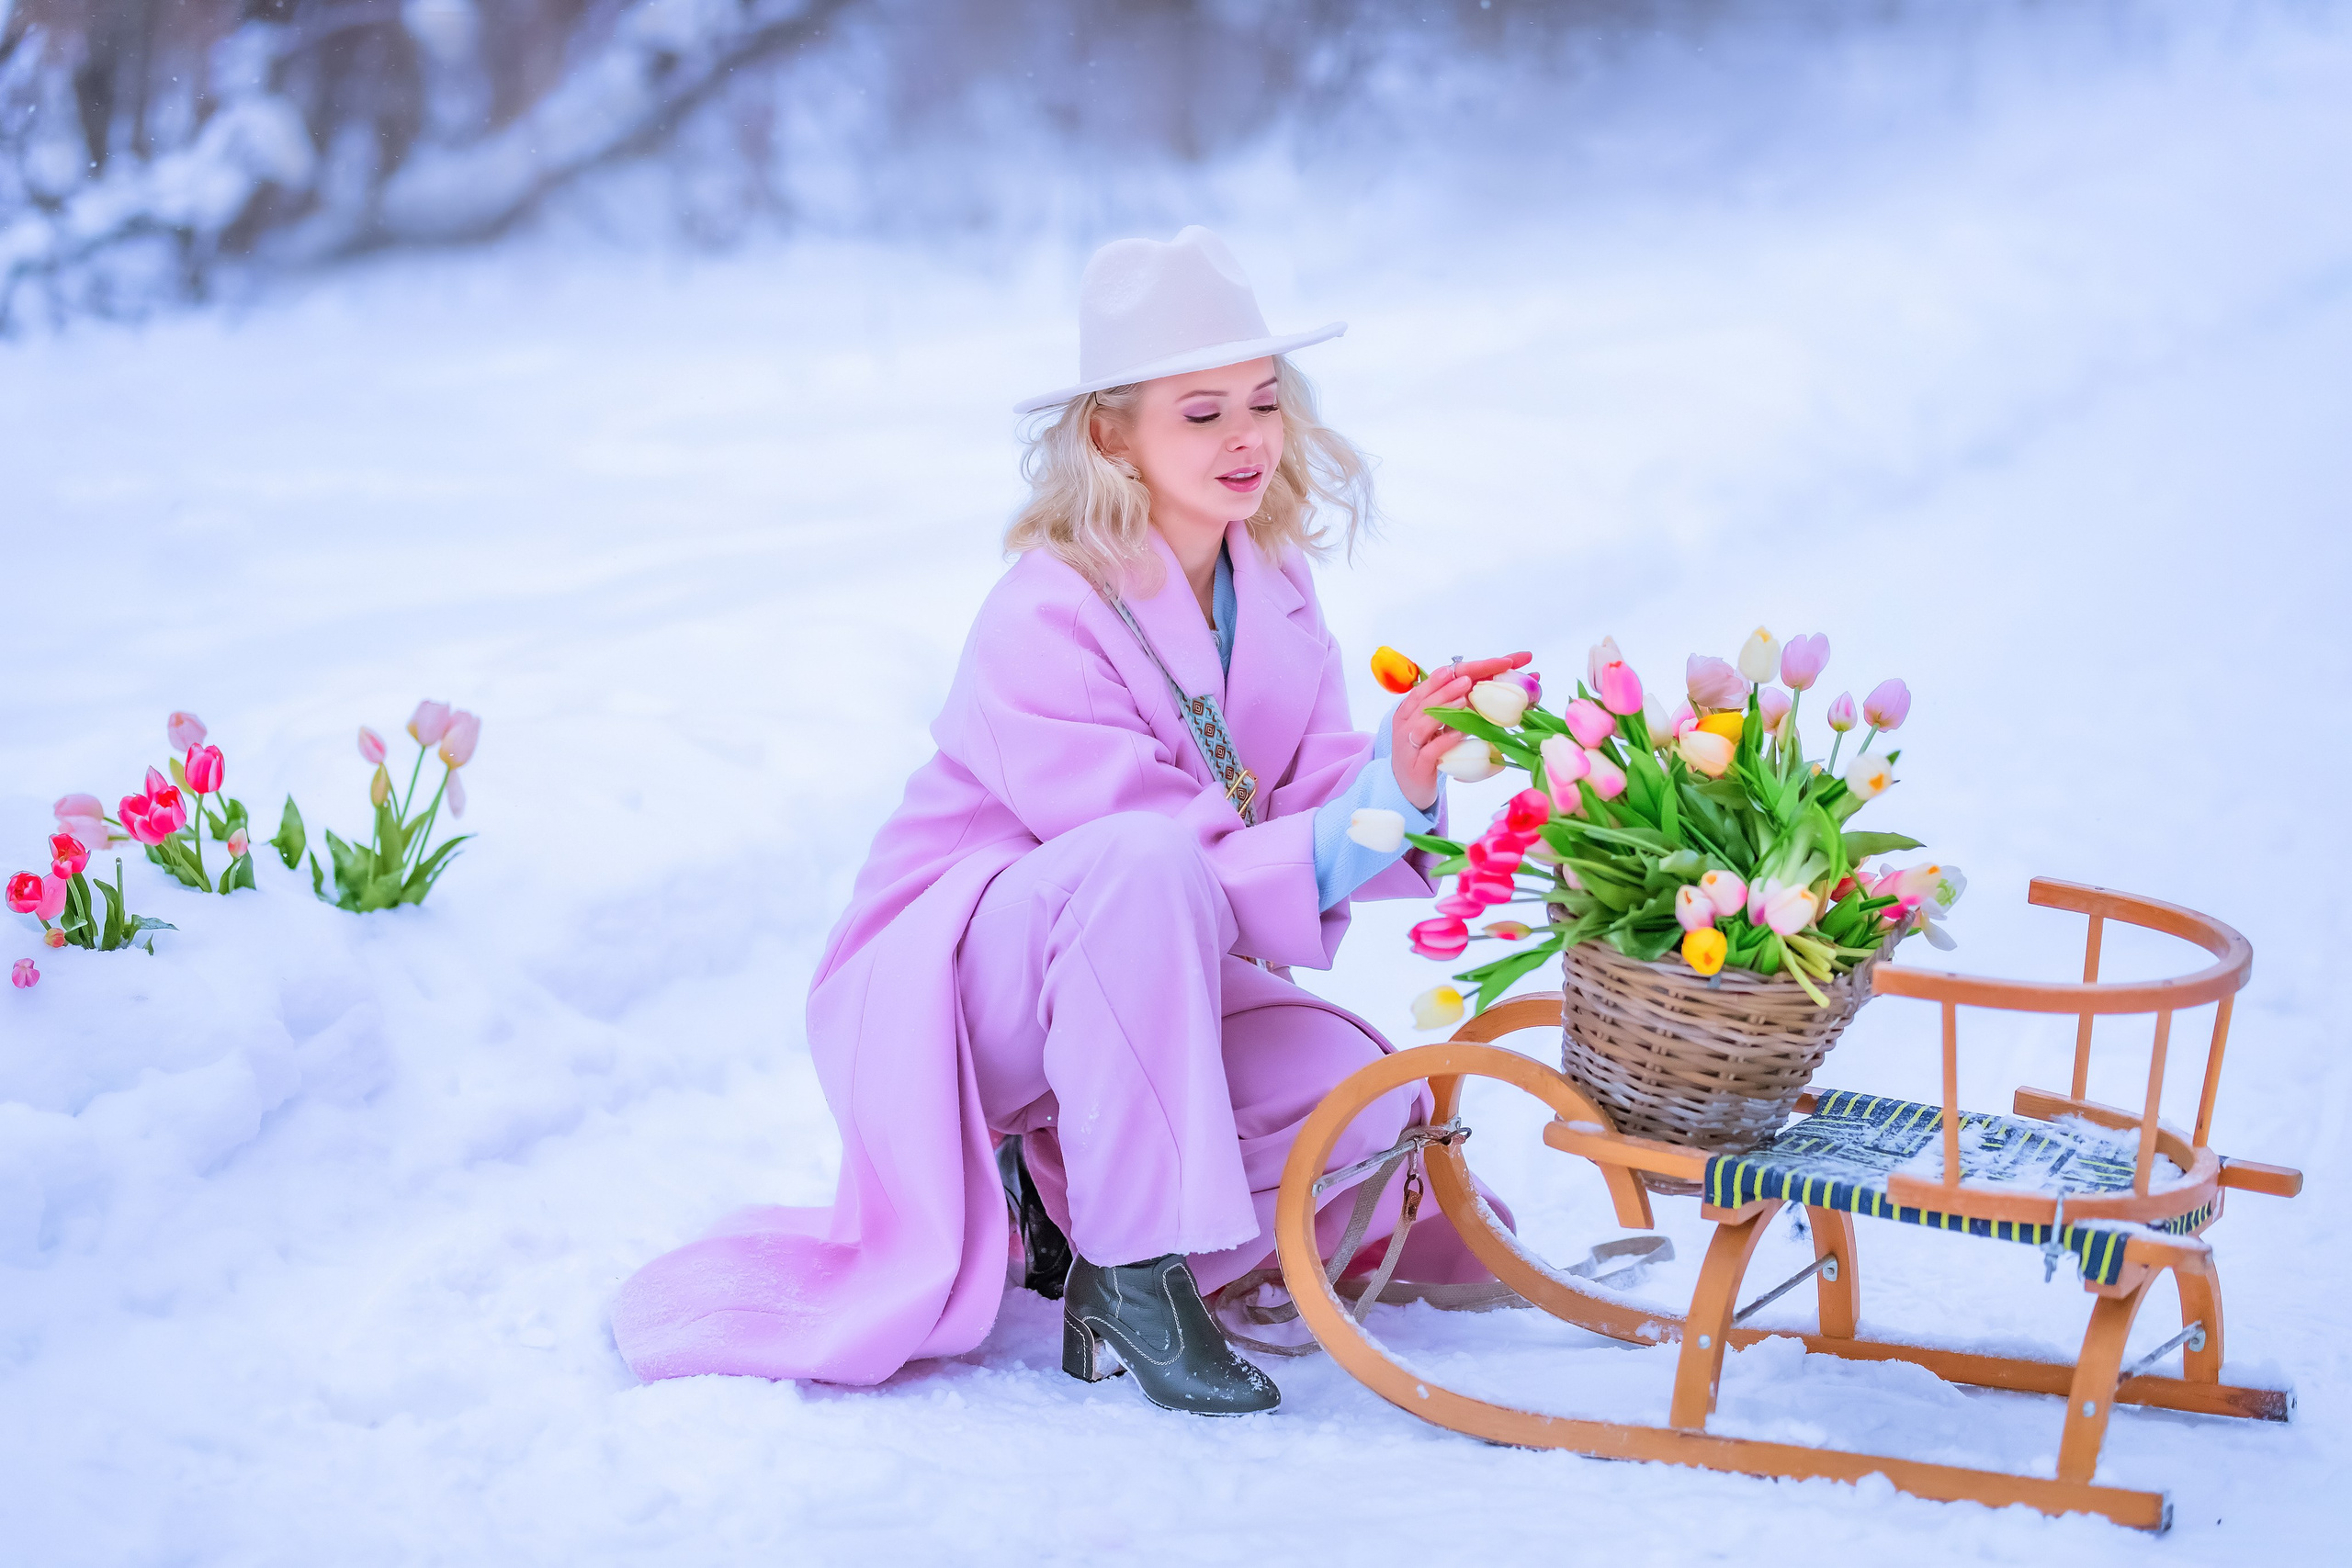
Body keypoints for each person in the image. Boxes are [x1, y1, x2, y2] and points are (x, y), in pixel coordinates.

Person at [614, 227, 1525, 1415]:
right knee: (1144, 864)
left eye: (1262, 402)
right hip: (958, 983)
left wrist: (1399, 784)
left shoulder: (1279, 588)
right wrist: (1355, 815)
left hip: (1146, 961)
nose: (1247, 438)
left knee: (1361, 1090)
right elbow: (1187, 863)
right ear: (1111, 432)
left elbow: (1304, 809)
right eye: (1201, 414)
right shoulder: (1044, 611)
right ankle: (1132, 1271)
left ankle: (1060, 1201)